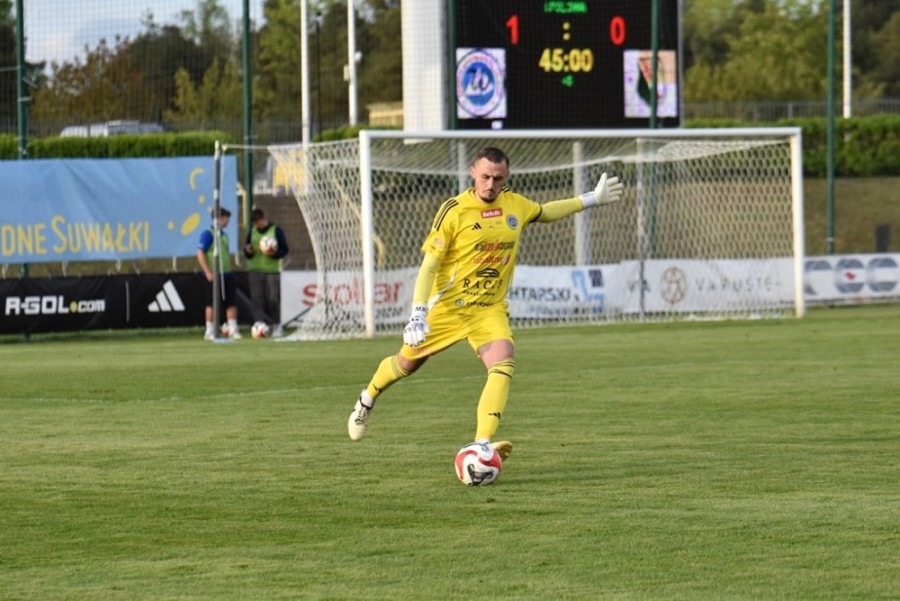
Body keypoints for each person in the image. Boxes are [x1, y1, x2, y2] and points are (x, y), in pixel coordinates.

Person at [347, 147, 624, 461]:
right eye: (485, 177)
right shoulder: (454, 210)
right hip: (450, 307)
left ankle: (481, 444)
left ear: (506, 178)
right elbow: (429, 266)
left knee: (504, 362)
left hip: (489, 309)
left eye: (498, 178)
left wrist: (590, 199)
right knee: (406, 364)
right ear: (472, 173)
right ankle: (366, 400)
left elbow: (545, 212)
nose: (490, 184)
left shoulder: (515, 205)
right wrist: (419, 312)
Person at [243, 208, 289, 337]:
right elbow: (247, 251)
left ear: (263, 219)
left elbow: (285, 250)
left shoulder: (276, 230)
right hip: (255, 270)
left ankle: (277, 325)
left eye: (258, 222)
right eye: (254, 223)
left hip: (271, 271)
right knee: (257, 299)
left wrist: (274, 254)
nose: (256, 225)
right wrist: (248, 251)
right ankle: (259, 326)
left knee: (272, 300)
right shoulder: (251, 232)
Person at [197, 207, 241, 340]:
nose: (228, 221)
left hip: (227, 273)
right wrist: (208, 272)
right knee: (211, 302)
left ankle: (232, 327)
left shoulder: (224, 235)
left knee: (231, 301)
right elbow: (200, 253)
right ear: (220, 218)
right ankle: (209, 329)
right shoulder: (208, 234)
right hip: (214, 274)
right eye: (226, 218)